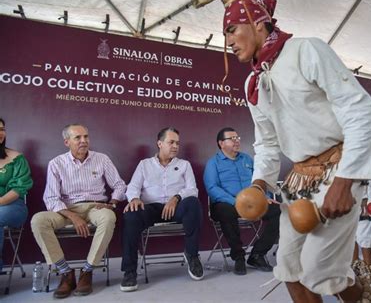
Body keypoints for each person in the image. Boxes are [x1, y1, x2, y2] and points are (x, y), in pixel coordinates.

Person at [222, 0, 371, 303]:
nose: (227, 41)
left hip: (338, 168)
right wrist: (258, 185)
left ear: (257, 23)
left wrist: (345, 181)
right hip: (298, 181)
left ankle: (366, 298)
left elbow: (360, 111)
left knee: (320, 270)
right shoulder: (252, 83)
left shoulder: (306, 50)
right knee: (288, 269)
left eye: (231, 30)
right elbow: (267, 142)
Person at [31, 124, 126, 298]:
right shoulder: (57, 163)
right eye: (78, 138)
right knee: (38, 220)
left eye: (86, 137)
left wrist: (112, 203)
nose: (84, 141)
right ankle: (66, 273)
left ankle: (87, 270)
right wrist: (73, 216)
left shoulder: (102, 159)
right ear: (67, 142)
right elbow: (51, 198)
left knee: (108, 216)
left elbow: (119, 185)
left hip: (95, 206)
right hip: (66, 210)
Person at [120, 127, 203, 292]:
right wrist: (134, 198)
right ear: (160, 143)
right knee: (131, 213)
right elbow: (133, 187)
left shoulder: (184, 165)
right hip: (151, 208)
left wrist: (176, 198)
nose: (175, 146)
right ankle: (129, 271)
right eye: (171, 142)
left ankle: (192, 255)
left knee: (193, 202)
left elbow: (192, 189)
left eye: (177, 143)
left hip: (176, 209)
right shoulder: (144, 164)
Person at [203, 127, 280, 275]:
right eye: (232, 139)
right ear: (221, 143)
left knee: (278, 210)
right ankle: (238, 256)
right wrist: (236, 202)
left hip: (252, 202)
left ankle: (257, 254)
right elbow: (212, 188)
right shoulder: (213, 163)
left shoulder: (247, 159)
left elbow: (259, 181)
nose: (236, 141)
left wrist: (265, 197)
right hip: (226, 203)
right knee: (226, 211)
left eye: (237, 138)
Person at [0, 118, 33, 273]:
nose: (0, 133)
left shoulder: (16, 158)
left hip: (12, 206)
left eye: (2, 129)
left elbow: (19, 189)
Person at [352, 174, 371, 284]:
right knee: (349, 238)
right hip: (346, 203)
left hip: (363, 204)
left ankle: (369, 269)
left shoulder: (369, 161)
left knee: (364, 236)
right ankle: (354, 267)